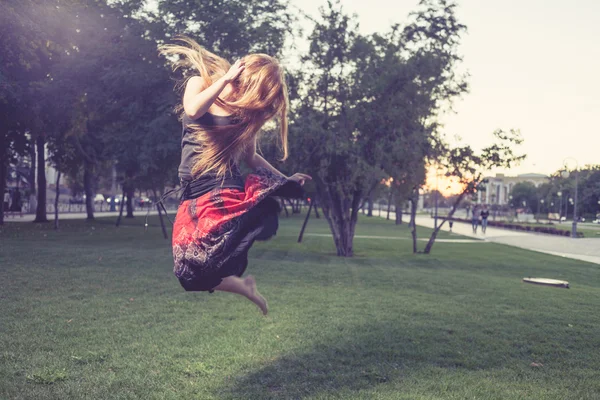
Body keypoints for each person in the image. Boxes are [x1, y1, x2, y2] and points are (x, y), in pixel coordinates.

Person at [159, 37, 310, 315]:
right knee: (188, 272)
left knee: (215, 252)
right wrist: (225, 79)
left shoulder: (245, 117)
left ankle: (258, 210)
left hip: (223, 187)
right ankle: (245, 287)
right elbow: (194, 110)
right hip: (192, 189)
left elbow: (251, 158)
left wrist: (286, 181)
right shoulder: (200, 83)